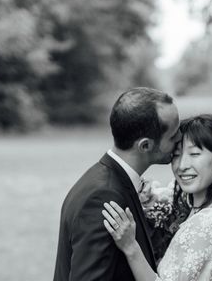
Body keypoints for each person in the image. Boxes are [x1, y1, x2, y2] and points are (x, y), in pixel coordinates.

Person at [102, 114, 212, 281]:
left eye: (194, 154)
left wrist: (131, 247)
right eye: (176, 155)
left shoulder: (204, 223)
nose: (182, 166)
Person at [53, 87, 181, 281]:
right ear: (145, 145)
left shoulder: (111, 180)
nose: (181, 138)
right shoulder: (102, 197)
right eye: (173, 136)